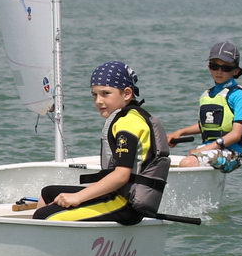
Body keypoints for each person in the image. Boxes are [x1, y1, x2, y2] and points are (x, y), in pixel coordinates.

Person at [33, 61, 169, 224]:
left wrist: (78, 197)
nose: (98, 100)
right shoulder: (131, 116)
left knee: (43, 216)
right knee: (48, 193)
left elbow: (121, 176)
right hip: (120, 195)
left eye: (105, 93)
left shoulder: (128, 123)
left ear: (127, 93)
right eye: (95, 95)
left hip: (126, 204)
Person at [167, 40, 242, 172]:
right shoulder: (207, 95)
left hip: (231, 153)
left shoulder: (239, 96)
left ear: (236, 71)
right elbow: (206, 124)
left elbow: (236, 134)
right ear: (209, 67)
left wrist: (205, 149)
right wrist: (179, 132)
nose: (219, 71)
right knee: (162, 162)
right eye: (214, 66)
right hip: (210, 150)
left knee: (188, 162)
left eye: (226, 68)